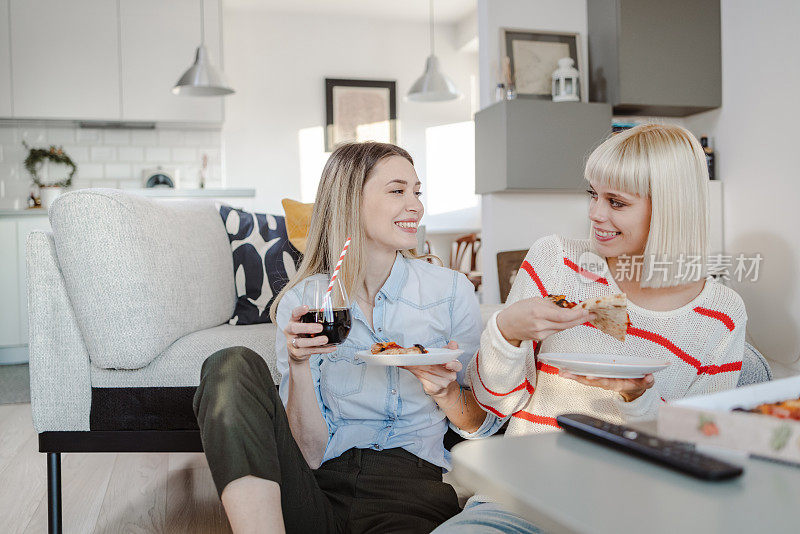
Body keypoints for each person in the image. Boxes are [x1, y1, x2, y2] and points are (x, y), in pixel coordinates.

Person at [433, 124, 747, 533]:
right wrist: (505, 331)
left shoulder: (722, 313)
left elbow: (700, 443)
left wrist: (638, 396)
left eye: (616, 202)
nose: (596, 214)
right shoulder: (556, 261)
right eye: (593, 195)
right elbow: (496, 406)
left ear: (670, 208)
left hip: (637, 513)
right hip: (520, 499)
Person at [193, 142, 503, 534]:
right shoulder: (305, 301)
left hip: (410, 491)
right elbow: (307, 452)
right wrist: (299, 366)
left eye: (416, 192)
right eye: (397, 191)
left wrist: (445, 394)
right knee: (229, 364)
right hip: (317, 487)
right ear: (350, 201)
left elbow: (478, 424)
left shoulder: (452, 291)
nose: (416, 206)